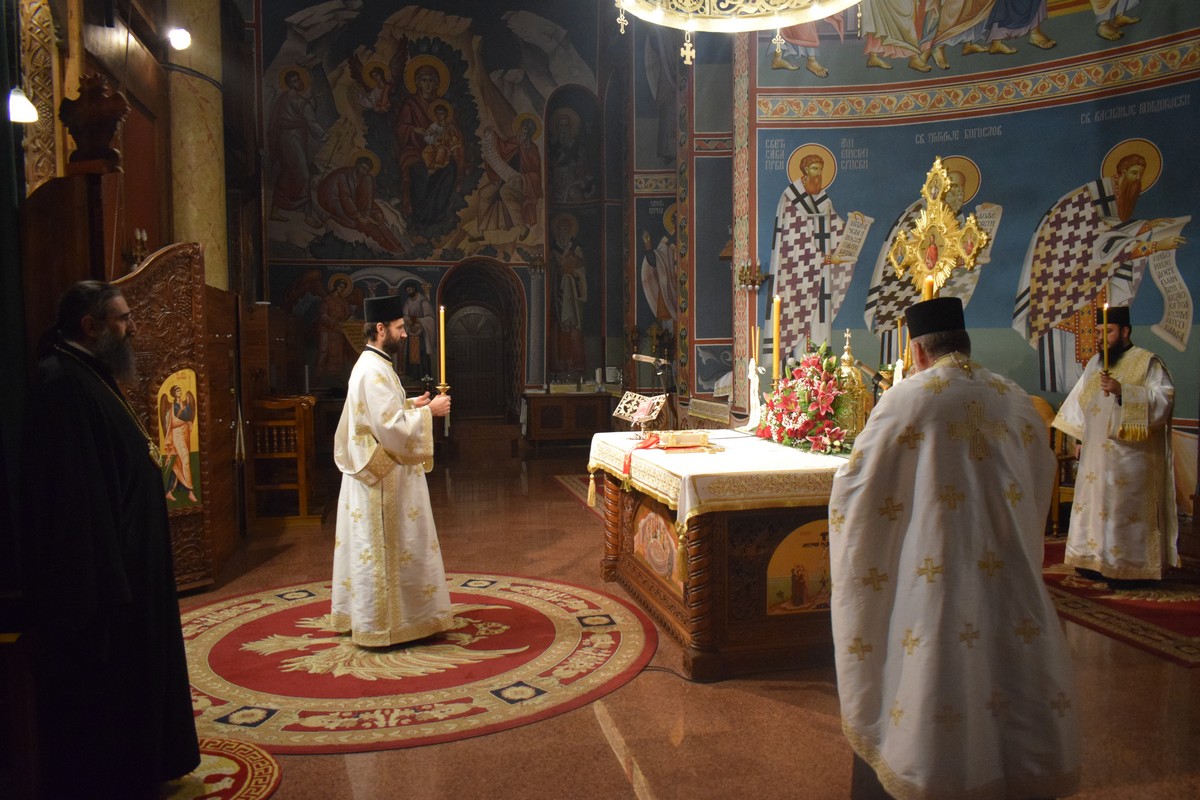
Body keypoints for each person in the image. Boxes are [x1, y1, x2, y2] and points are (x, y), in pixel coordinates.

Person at [828, 296, 1080, 800]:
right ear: (963, 343)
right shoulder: (1013, 399)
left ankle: (933, 771)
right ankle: (1015, 772)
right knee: (1011, 663)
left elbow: (856, 489)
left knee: (935, 664)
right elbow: (1040, 477)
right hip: (1007, 567)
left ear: (917, 351)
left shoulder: (907, 400)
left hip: (934, 572)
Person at [19, 280, 200, 798]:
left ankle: (150, 765)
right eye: (122, 319)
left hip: (131, 564)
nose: (132, 327)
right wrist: (110, 581)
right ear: (90, 326)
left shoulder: (89, 373)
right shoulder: (60, 384)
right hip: (108, 579)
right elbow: (72, 502)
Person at [331, 293, 454, 647]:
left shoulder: (375, 363)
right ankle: (385, 625)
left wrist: (410, 403)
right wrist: (430, 412)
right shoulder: (373, 370)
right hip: (381, 476)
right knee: (386, 547)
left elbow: (380, 413)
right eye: (399, 328)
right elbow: (389, 428)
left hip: (380, 470)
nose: (405, 334)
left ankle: (398, 618)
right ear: (380, 329)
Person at [1053, 305, 1177, 584]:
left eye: (1107, 331)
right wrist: (1079, 439)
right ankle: (1092, 559)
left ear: (1125, 331)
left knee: (1122, 509)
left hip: (1130, 457)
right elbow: (1081, 402)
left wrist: (1124, 392)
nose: (1101, 338)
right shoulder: (1095, 364)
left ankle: (1128, 567)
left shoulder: (1147, 362)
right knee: (1094, 505)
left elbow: (1163, 401)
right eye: (1098, 332)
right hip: (1095, 456)